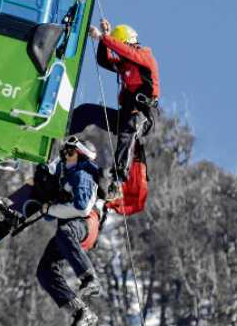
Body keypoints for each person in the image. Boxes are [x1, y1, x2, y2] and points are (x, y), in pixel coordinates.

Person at [35, 136, 105, 326]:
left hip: (85, 224)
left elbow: (82, 207)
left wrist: (50, 209)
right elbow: (51, 216)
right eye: (64, 152)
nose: (65, 155)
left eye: (70, 152)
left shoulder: (82, 174)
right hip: (68, 234)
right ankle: (80, 312)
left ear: (82, 156)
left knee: (65, 231)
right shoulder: (66, 178)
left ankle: (90, 278)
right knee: (44, 270)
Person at [88, 19, 160, 200]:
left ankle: (118, 181)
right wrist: (105, 39)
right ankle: (61, 131)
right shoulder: (126, 65)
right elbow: (104, 60)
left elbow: (127, 52)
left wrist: (104, 38)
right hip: (126, 114)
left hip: (143, 116)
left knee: (129, 129)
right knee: (88, 112)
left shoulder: (145, 58)